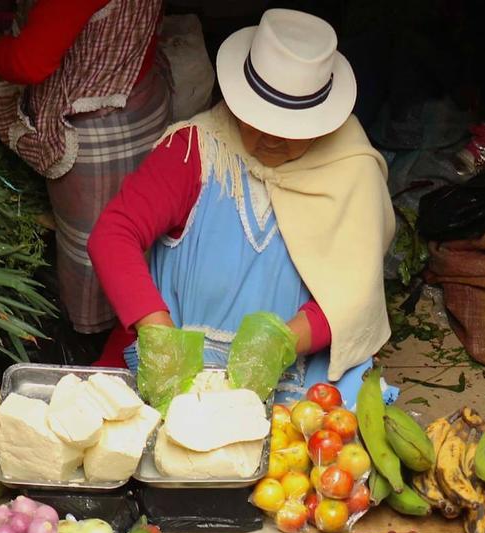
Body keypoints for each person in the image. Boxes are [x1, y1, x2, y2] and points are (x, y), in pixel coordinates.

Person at [88, 8, 394, 409]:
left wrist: (283, 342)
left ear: (321, 124)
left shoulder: (352, 171)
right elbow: (114, 234)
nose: (269, 139)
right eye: (256, 121)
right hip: (177, 372)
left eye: (289, 132)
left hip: (292, 373)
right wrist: (155, 329)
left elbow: (354, 295)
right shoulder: (195, 151)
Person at [0, 0, 169, 335]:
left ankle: (91, 337)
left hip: (96, 133)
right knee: (134, 233)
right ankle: (134, 321)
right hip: (140, 101)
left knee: (95, 250)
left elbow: (29, 63)